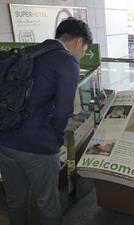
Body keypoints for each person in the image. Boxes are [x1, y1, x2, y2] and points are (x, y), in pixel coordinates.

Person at [0, 17, 92, 225]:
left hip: (4, 138)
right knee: (47, 202)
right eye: (84, 49)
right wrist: (55, 141)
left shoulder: (28, 52)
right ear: (78, 42)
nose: (82, 54)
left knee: (15, 199)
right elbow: (63, 111)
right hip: (37, 145)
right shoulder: (67, 61)